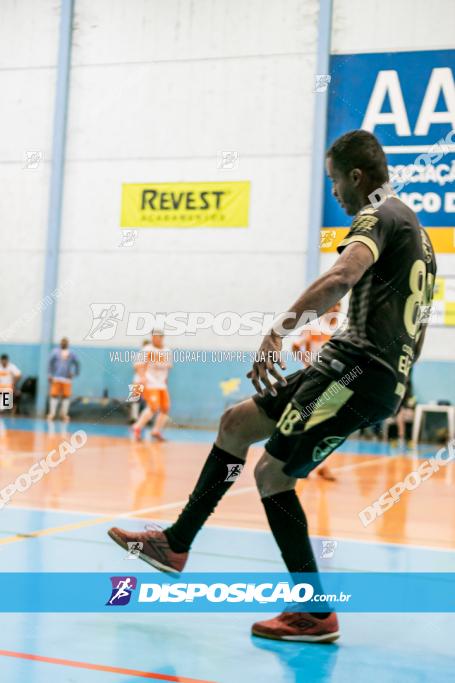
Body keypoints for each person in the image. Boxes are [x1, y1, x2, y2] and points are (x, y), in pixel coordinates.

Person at [108, 130, 436, 643]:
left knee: (272, 474)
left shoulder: (376, 216)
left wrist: (277, 332)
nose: (332, 192)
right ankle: (175, 543)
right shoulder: (415, 229)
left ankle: (314, 611)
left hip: (354, 370)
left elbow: (341, 276)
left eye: (333, 180)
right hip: (353, 367)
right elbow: (414, 330)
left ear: (355, 176)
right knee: (236, 423)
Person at [291, 303, 342, 481]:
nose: (335, 308)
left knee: (328, 424)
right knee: (310, 422)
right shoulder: (314, 327)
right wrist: (307, 365)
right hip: (317, 380)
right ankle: (306, 464)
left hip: (337, 382)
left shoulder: (341, 328)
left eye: (339, 305)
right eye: (332, 305)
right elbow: (296, 346)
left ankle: (321, 465)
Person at [132, 330, 172, 442]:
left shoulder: (167, 351)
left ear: (162, 338)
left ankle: (156, 431)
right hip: (149, 383)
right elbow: (138, 365)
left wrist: (165, 379)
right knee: (153, 406)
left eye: (159, 337)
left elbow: (168, 366)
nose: (156, 339)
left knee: (165, 408)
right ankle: (137, 426)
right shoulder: (147, 350)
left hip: (161, 384)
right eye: (154, 337)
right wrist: (142, 378)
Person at [47, 338, 80, 421]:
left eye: (65, 342)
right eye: (62, 342)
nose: (63, 343)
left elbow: (77, 363)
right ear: (60, 343)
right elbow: (50, 363)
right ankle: (52, 414)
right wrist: (50, 374)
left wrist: (75, 373)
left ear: (68, 344)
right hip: (56, 377)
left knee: (66, 396)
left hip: (67, 379)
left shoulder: (71, 353)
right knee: (54, 395)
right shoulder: (55, 352)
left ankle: (64, 414)